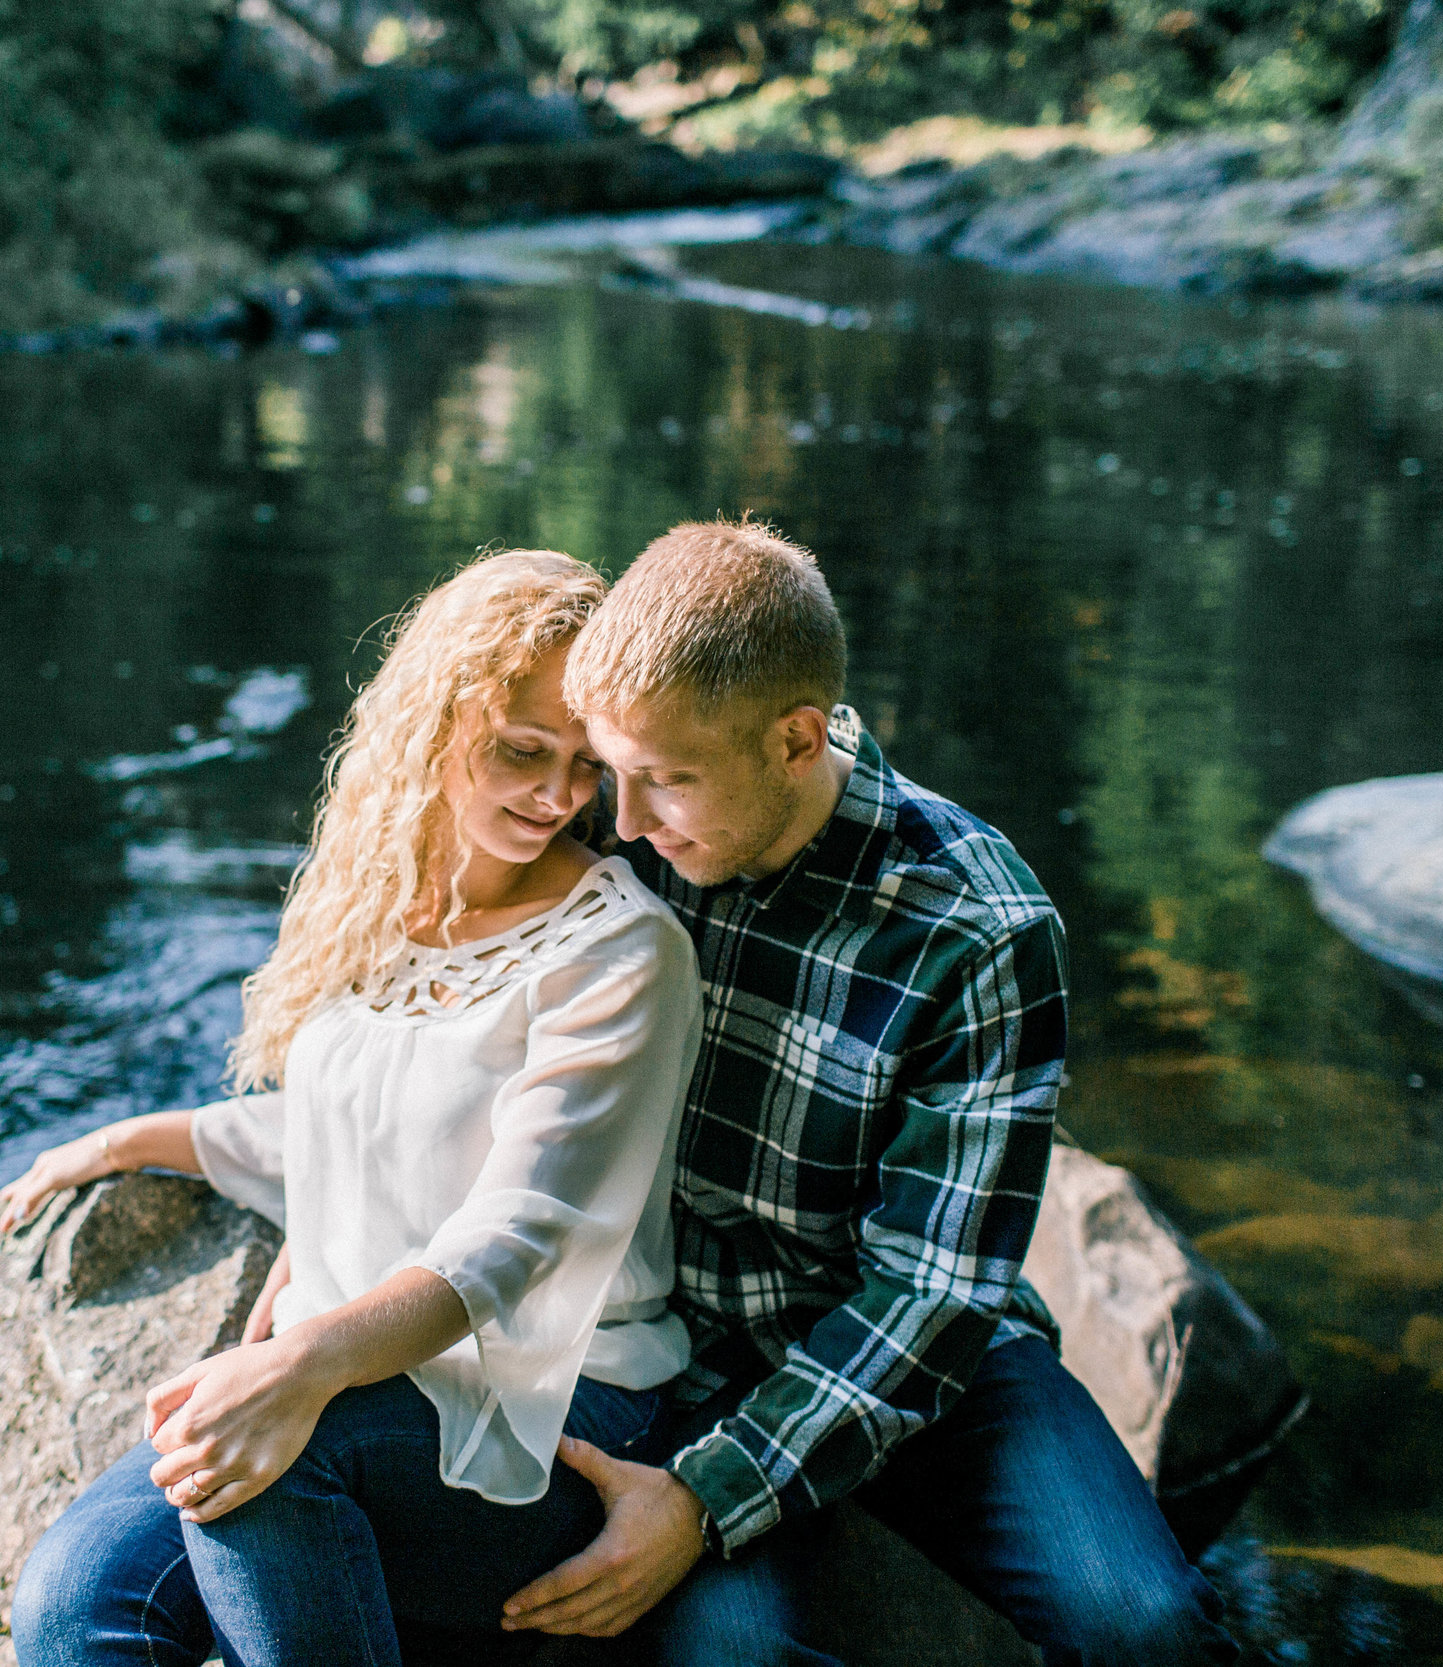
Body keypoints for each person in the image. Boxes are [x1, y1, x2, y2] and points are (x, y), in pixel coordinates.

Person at [493, 520, 1238, 1666]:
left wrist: (705, 1499)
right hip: (676, 1346)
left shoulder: (977, 925)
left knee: (1145, 1622)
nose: (623, 822)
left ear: (795, 739)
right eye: (614, 773)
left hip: (924, 1351)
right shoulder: (620, 822)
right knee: (728, 1657)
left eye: (668, 782)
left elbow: (932, 1291)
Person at [0, 549, 703, 1667]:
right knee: (71, 1605)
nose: (561, 797)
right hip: (368, 1380)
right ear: (434, 718)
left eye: (586, 764)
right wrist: (133, 1138)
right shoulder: (377, 891)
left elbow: (516, 1228)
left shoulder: (622, 951)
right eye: (522, 749)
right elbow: (354, 1128)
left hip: (560, 1402)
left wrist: (304, 1356)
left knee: (264, 1461)